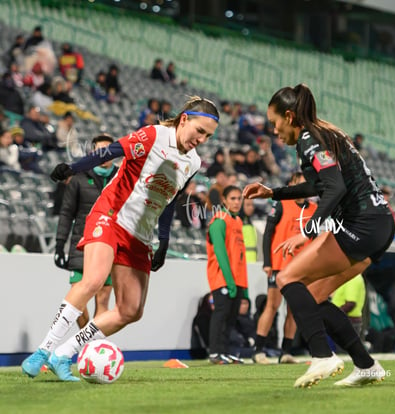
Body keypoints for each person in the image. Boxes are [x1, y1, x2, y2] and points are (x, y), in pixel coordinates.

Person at [21, 96, 219, 381]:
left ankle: (64, 353)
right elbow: (110, 152)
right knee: (93, 280)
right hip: (111, 215)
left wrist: (163, 241)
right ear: (185, 119)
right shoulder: (154, 135)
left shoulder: (194, 162)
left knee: (131, 310)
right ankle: (43, 350)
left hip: (141, 235)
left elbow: (170, 201)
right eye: (200, 131)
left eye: (208, 136)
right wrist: (73, 168)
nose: (202, 139)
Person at [243, 83, 395, 388]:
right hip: (379, 225)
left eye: (274, 124)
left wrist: (308, 231)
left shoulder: (310, 139)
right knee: (313, 295)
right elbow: (319, 185)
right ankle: (366, 365)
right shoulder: (322, 134)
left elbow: (334, 188)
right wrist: (275, 192)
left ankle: (322, 356)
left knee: (287, 279)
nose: (274, 131)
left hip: (361, 224)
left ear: (289, 116)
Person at [54, 135, 118, 329]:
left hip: (109, 244)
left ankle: (92, 346)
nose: (105, 155)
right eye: (100, 151)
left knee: (103, 300)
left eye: (109, 150)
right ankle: (84, 340)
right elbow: (66, 213)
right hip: (81, 244)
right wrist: (59, 244)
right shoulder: (79, 179)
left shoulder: (122, 177)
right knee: (77, 300)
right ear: (92, 153)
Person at [253, 172, 317, 365]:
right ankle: (258, 351)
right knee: (272, 305)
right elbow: (268, 234)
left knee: (294, 309)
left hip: (301, 267)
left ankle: (286, 352)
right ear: (292, 184)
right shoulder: (281, 203)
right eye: (300, 184)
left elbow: (314, 239)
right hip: (279, 265)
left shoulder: (314, 209)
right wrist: (267, 263)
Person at [206, 185, 248, 364]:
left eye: (239, 198)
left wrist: (243, 286)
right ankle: (215, 353)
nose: (237, 202)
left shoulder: (237, 221)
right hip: (222, 278)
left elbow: (240, 255)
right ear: (224, 200)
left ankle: (226, 352)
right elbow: (221, 254)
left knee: (232, 317)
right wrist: (229, 281)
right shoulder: (219, 221)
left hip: (237, 278)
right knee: (221, 315)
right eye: (233, 198)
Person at [331, 274, 366, 340]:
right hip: (347, 321)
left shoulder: (352, 278)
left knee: (342, 349)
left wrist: (334, 315)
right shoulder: (349, 277)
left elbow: (350, 304)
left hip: (348, 321)